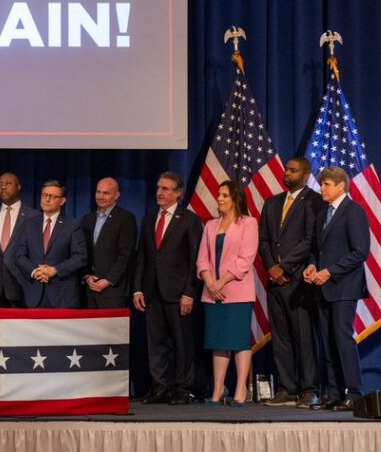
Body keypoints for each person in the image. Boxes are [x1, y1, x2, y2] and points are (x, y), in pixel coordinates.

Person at [133, 171, 204, 405]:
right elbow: (142, 255)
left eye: (165, 189)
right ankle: (160, 387)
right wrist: (138, 289)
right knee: (156, 344)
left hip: (178, 292)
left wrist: (189, 292)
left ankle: (184, 388)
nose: (159, 193)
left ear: (178, 194)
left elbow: (195, 259)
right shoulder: (150, 217)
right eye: (158, 188)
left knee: (182, 344)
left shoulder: (189, 220)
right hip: (152, 291)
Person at [258, 157, 323, 408]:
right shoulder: (272, 203)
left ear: (306, 175)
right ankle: (288, 388)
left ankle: (309, 389)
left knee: (304, 337)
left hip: (298, 282)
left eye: (293, 170)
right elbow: (264, 240)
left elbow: (310, 240)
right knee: (281, 337)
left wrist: (284, 267)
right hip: (275, 282)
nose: (287, 173)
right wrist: (272, 268)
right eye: (286, 169)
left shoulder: (315, 202)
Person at [304, 166, 370, 412]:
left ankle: (353, 393)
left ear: (341, 185)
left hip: (343, 287)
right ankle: (333, 393)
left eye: (326, 184)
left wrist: (330, 271)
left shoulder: (354, 212)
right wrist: (311, 266)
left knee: (341, 338)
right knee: (327, 340)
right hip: (321, 288)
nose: (322, 188)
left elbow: (360, 252)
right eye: (322, 184)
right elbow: (316, 249)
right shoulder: (323, 214)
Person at [196, 180, 259, 406]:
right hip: (212, 293)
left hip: (238, 292)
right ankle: (217, 390)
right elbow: (202, 259)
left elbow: (245, 260)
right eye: (218, 195)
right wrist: (211, 283)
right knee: (218, 341)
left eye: (224, 195)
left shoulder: (248, 224)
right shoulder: (211, 225)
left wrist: (221, 282)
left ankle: (241, 390)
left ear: (235, 199)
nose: (219, 199)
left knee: (239, 340)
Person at [9, 180, 87, 309]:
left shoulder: (73, 225)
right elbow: (19, 255)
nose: (47, 199)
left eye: (52, 196)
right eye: (44, 195)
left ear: (62, 201)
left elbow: (80, 257)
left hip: (62, 296)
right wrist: (35, 271)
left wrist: (54, 270)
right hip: (34, 295)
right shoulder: (29, 224)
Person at [81, 177, 138, 309]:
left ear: (117, 195)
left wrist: (108, 281)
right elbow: (84, 252)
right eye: (98, 192)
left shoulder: (126, 219)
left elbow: (126, 255)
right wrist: (87, 275)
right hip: (90, 289)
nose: (100, 196)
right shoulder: (88, 219)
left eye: (106, 193)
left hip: (113, 291)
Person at [0, 172, 32, 307]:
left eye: (8, 184)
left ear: (19, 187)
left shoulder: (33, 217)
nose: (3, 187)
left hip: (23, 288)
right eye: (0, 185)